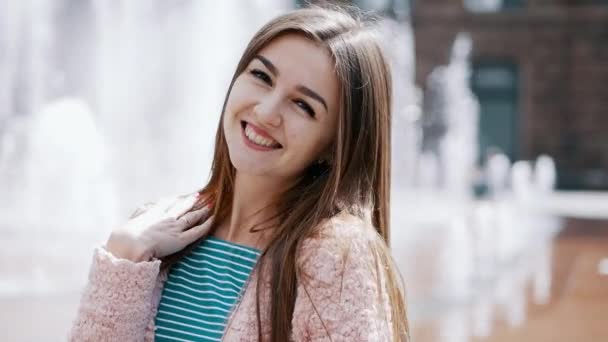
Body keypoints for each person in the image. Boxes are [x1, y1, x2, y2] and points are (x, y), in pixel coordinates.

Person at [70, 5, 409, 342]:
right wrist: (125, 251)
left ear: (334, 146)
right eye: (262, 77)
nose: (265, 111)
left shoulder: (336, 255)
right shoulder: (159, 227)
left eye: (303, 105)